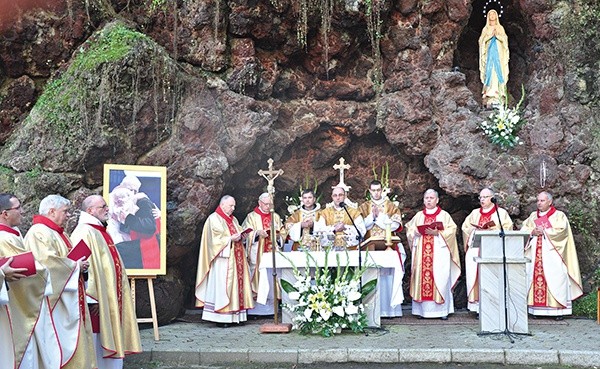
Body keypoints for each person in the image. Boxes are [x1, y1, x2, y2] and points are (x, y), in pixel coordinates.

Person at [24, 194, 96, 369]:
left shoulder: (57, 232)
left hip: (69, 295)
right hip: (55, 303)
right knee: (61, 344)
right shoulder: (39, 232)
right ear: (51, 211)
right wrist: (75, 266)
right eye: (65, 212)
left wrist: (80, 267)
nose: (68, 215)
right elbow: (46, 263)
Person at [71, 195, 142, 368]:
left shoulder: (99, 230)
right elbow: (83, 265)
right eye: (102, 206)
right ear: (90, 211)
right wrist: (91, 298)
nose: (107, 209)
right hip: (97, 300)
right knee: (98, 340)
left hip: (108, 296)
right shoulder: (84, 231)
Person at [0, 193, 61, 369]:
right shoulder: (4, 238)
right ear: (5, 213)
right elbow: (30, 269)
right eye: (18, 208)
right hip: (11, 310)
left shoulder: (13, 234)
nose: (22, 211)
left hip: (16, 303)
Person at [521, 192, 583, 318]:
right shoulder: (533, 216)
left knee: (556, 278)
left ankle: (557, 311)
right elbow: (524, 229)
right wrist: (532, 231)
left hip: (552, 255)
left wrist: (544, 231)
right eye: (538, 200)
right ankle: (536, 310)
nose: (539, 203)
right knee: (533, 277)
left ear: (550, 202)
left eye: (542, 201)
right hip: (535, 254)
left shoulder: (559, 216)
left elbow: (562, 232)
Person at [195, 195, 254, 327]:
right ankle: (222, 318)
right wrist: (230, 239)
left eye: (234, 206)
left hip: (236, 257)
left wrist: (242, 236)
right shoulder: (214, 219)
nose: (233, 208)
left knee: (237, 287)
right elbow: (213, 241)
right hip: (223, 261)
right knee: (223, 287)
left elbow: (238, 233)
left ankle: (236, 317)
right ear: (222, 205)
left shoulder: (233, 220)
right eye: (230, 206)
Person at [405, 189, 460, 320]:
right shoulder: (418, 216)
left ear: (437, 200)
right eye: (426, 198)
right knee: (422, 276)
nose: (429, 200)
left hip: (439, 253)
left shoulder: (444, 215)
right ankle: (422, 311)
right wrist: (415, 234)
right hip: (421, 255)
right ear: (423, 200)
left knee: (440, 277)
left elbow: (452, 231)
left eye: (431, 198)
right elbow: (410, 229)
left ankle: (441, 312)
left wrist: (438, 234)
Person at [461, 188, 513, 313]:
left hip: (493, 250)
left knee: (492, 277)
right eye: (481, 197)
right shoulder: (474, 213)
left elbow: (508, 228)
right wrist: (474, 231)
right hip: (475, 250)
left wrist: (492, 231)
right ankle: (477, 308)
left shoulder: (501, 213)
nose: (482, 200)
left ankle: (493, 306)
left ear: (492, 198)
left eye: (485, 197)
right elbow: (465, 227)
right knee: (475, 275)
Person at [359, 180, 405, 317]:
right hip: (369, 245)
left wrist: (380, 217)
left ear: (382, 190)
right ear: (369, 191)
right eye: (373, 190)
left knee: (388, 277)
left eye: (378, 190)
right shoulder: (363, 207)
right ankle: (371, 310)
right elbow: (360, 226)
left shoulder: (391, 206)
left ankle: (390, 310)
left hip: (387, 245)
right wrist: (371, 217)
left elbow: (396, 225)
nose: (376, 192)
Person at [241, 193, 283, 316]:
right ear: (259, 203)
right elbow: (245, 233)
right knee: (258, 277)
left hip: (272, 252)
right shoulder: (251, 217)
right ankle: (256, 310)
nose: (267, 206)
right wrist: (257, 233)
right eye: (265, 204)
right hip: (257, 253)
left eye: (270, 204)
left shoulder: (275, 216)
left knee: (272, 277)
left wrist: (279, 236)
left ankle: (272, 309)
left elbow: (283, 232)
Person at [108, 174, 161, 270]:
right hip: (137, 242)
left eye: (133, 190)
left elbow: (150, 227)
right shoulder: (119, 201)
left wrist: (127, 218)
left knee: (117, 252)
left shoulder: (142, 201)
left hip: (148, 247)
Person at [479, 9, 509, 107]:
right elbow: (481, 41)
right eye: (490, 14)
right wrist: (489, 37)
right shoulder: (485, 29)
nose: (492, 16)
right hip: (489, 55)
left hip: (499, 55)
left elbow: (505, 40)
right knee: (490, 72)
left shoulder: (500, 28)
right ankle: (489, 95)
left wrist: (498, 37)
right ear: (488, 16)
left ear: (497, 16)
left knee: (498, 72)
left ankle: (499, 95)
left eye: (494, 14)